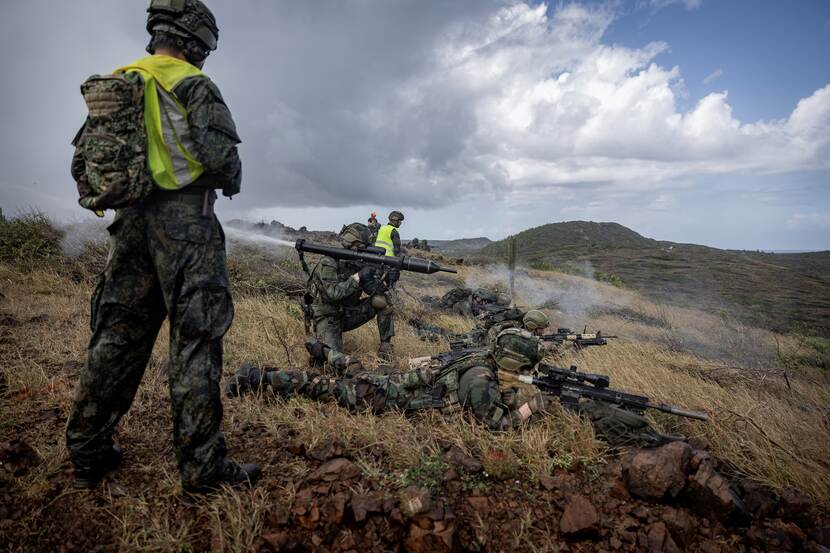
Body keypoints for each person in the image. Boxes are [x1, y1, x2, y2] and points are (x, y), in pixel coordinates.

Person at [65, 0, 259, 493]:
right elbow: (221, 161)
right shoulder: (192, 82)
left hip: (130, 225)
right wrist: (230, 176)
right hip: (186, 225)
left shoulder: (123, 79)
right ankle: (203, 468)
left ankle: (87, 451)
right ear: (196, 39)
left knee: (117, 336)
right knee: (196, 339)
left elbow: (86, 161)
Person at [225, 330, 682, 447]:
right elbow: (498, 426)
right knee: (326, 389)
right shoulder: (479, 379)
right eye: (524, 366)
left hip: (399, 381)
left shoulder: (484, 361)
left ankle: (327, 349)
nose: (527, 372)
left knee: (355, 369)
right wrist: (533, 408)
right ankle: (257, 378)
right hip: (390, 398)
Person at [305, 223, 396, 367]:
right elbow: (333, 293)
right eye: (359, 245)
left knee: (382, 301)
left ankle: (385, 348)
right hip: (328, 318)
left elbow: (373, 290)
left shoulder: (358, 262)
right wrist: (358, 276)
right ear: (350, 242)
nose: (362, 249)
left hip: (347, 314)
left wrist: (385, 278)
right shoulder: (328, 262)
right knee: (332, 363)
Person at [373, 211, 404, 287]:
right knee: (390, 286)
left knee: (376, 283)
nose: (400, 223)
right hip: (389, 261)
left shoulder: (381, 228)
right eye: (400, 221)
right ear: (395, 220)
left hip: (377, 259)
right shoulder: (393, 231)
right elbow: (397, 250)